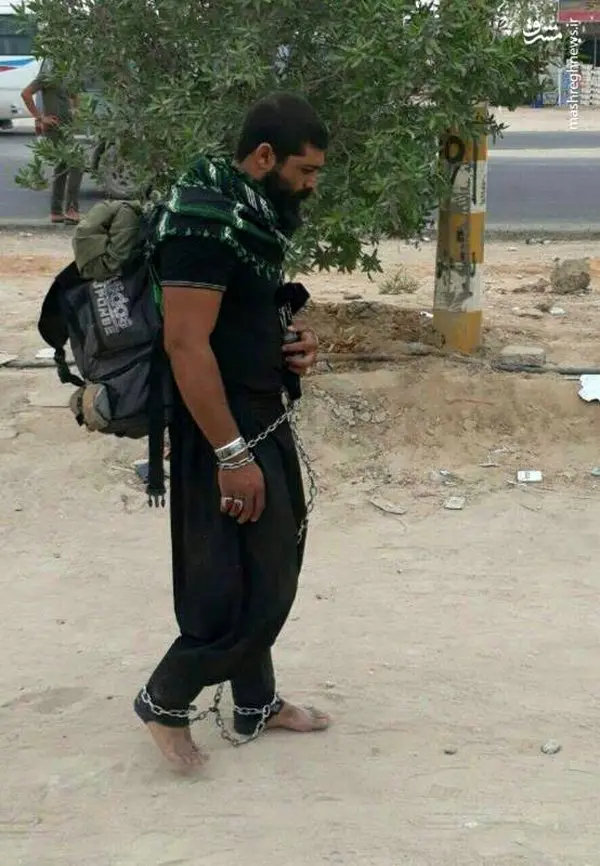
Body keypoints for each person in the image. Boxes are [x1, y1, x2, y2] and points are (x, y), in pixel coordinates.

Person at [133, 92, 330, 771]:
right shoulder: (202, 222)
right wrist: (231, 454)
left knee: (269, 563)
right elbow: (186, 345)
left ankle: (256, 702)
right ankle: (165, 698)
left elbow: (241, 316)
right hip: (220, 426)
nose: (311, 186)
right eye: (305, 171)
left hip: (260, 410)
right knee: (240, 583)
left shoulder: (248, 215)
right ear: (265, 157)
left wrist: (291, 343)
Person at [21, 59, 83, 225]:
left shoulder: (67, 75)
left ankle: (56, 211)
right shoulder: (46, 76)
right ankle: (71, 209)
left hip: (67, 128)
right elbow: (26, 94)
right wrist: (40, 118)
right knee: (77, 163)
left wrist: (76, 111)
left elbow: (74, 94)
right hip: (54, 129)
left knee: (63, 166)